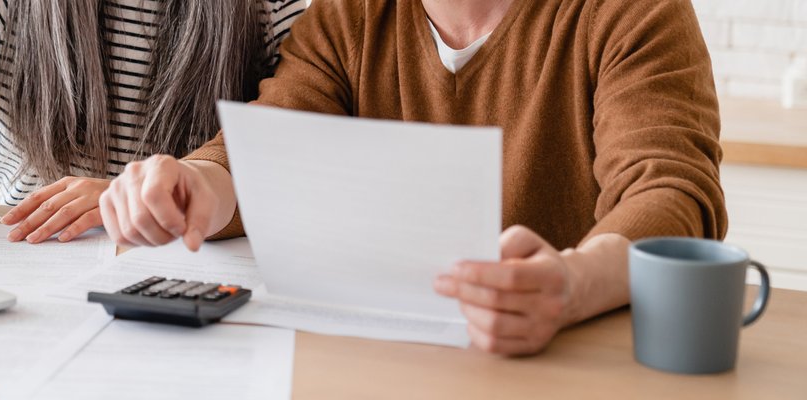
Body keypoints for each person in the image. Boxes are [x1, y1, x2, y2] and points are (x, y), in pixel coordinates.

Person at [99, 0, 727, 356]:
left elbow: (672, 195)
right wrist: (196, 184)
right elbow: (272, 141)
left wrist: (573, 284)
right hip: (388, 359)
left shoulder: (634, 13)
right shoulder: (347, 18)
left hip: (569, 361)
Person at [0, 0, 305, 243]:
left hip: (193, 269)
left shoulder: (273, 8)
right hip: (30, 259)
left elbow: (285, 169)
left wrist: (132, 202)